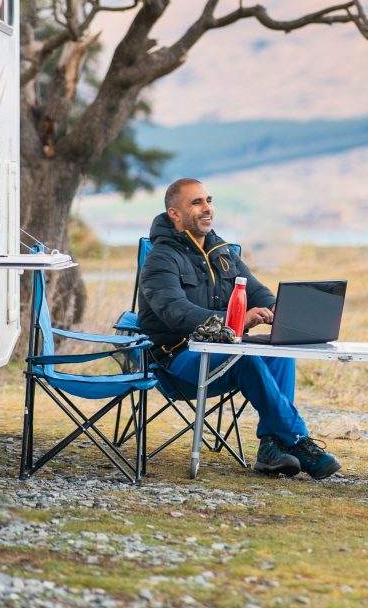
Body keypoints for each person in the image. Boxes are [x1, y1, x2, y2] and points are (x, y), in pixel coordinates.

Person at [136, 177, 341, 480]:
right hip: (177, 362)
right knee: (243, 357)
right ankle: (297, 440)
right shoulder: (160, 259)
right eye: (197, 202)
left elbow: (259, 293)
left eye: (208, 200)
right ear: (174, 214)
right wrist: (237, 321)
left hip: (222, 356)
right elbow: (177, 313)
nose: (207, 208)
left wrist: (279, 313)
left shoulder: (223, 253)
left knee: (280, 349)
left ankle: (271, 448)